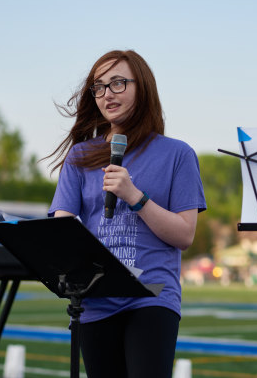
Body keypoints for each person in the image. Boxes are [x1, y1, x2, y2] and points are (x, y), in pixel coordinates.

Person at [45, 49, 206, 378]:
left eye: (118, 83)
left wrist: (134, 196)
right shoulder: (80, 156)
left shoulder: (178, 155)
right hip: (96, 298)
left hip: (151, 298)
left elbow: (184, 234)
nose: (107, 94)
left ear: (142, 87)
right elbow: (62, 228)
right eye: (99, 87)